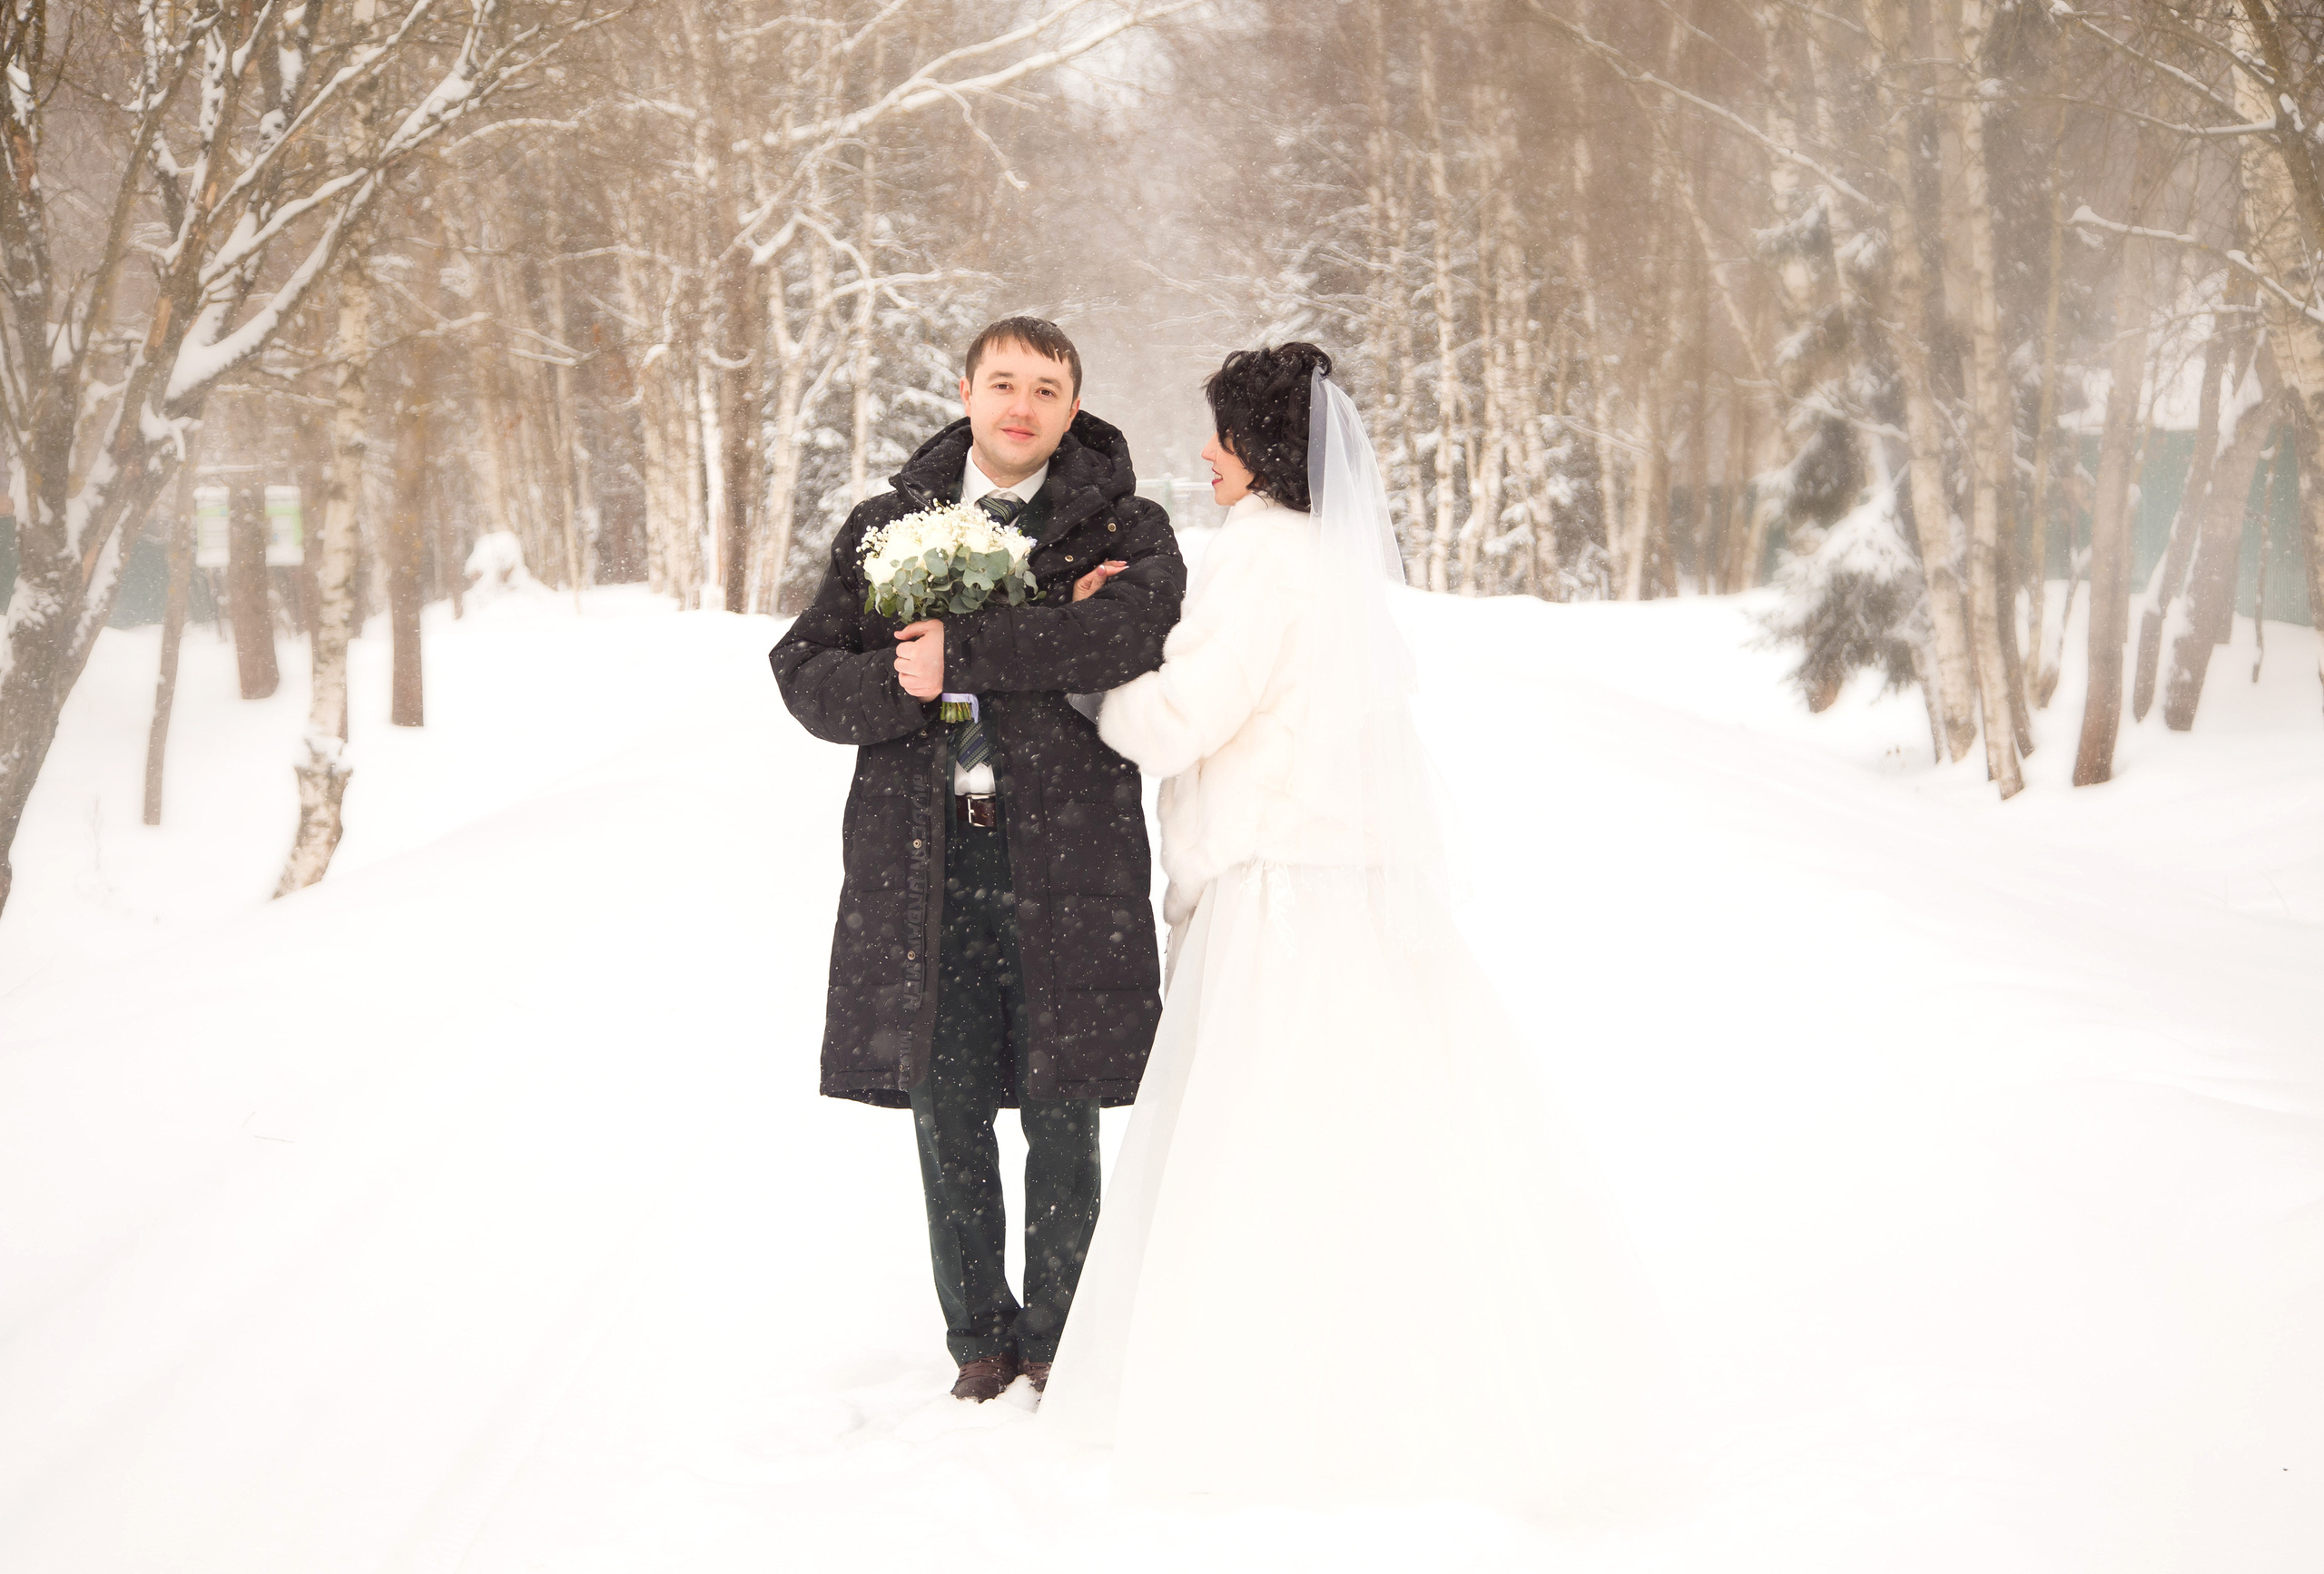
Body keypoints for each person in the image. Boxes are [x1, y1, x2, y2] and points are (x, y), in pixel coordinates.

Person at [1039, 343, 1657, 1511]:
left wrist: (1090, 675)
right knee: (1364, 1133)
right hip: (1353, 889)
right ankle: (1388, 1380)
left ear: (1261, 449)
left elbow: (1181, 720)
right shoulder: (1333, 561)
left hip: (1272, 892)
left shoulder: (1258, 555)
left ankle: (1268, 1397)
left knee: (1254, 1141)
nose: (1205, 453)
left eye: (1221, 434)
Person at [770, 317, 1185, 1403]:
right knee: (943, 1102)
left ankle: (1059, 1335)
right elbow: (805, 667)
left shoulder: (1125, 525)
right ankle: (978, 1342)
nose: (1022, 406)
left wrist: (972, 649)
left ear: (1073, 405)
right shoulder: (885, 525)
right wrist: (894, 685)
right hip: (923, 856)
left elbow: (1130, 636)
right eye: (1003, 382)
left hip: (1069, 853)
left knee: (1062, 1101)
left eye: (1046, 388)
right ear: (965, 393)